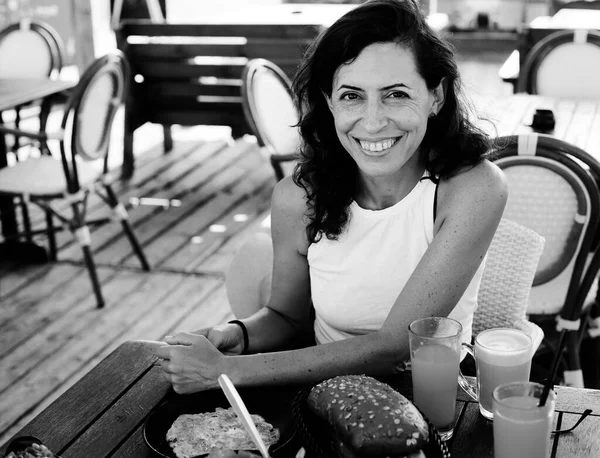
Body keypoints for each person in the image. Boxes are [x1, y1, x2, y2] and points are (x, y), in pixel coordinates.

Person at [157, 0, 507, 394]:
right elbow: (286, 318)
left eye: (395, 94)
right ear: (328, 101)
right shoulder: (296, 198)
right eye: (352, 96)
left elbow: (394, 346)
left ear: (436, 97)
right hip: (322, 394)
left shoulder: (473, 188)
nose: (373, 122)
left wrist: (227, 371)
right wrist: (235, 335)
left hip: (437, 397)